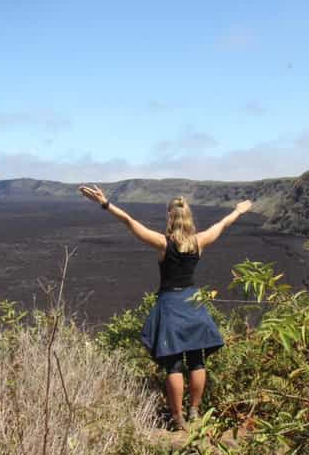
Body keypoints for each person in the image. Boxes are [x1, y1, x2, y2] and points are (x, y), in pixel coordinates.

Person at [78, 184, 253, 430]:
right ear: (189, 218)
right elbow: (222, 225)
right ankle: (194, 410)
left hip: (171, 305)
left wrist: (105, 204)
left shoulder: (163, 243)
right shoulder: (199, 242)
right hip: (193, 303)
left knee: (173, 364)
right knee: (197, 360)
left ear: (170, 217)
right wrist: (238, 211)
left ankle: (178, 417)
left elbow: (129, 222)